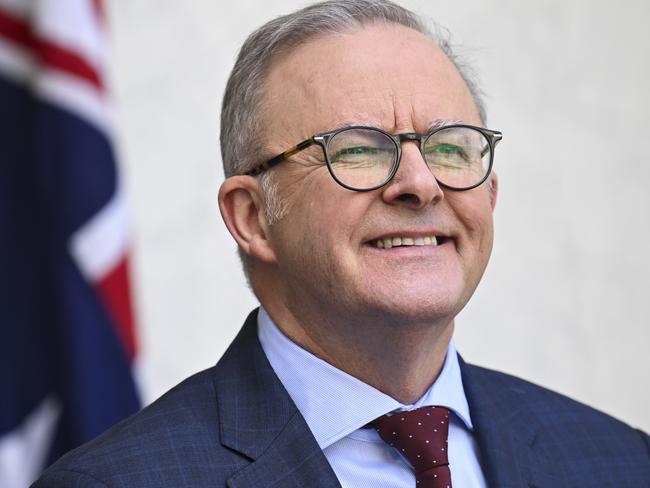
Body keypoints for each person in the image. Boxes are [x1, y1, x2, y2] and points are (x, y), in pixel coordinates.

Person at [33, 1, 649, 487]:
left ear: (489, 193)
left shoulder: (620, 462)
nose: (419, 184)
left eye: (449, 146)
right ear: (252, 217)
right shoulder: (116, 483)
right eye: (358, 148)